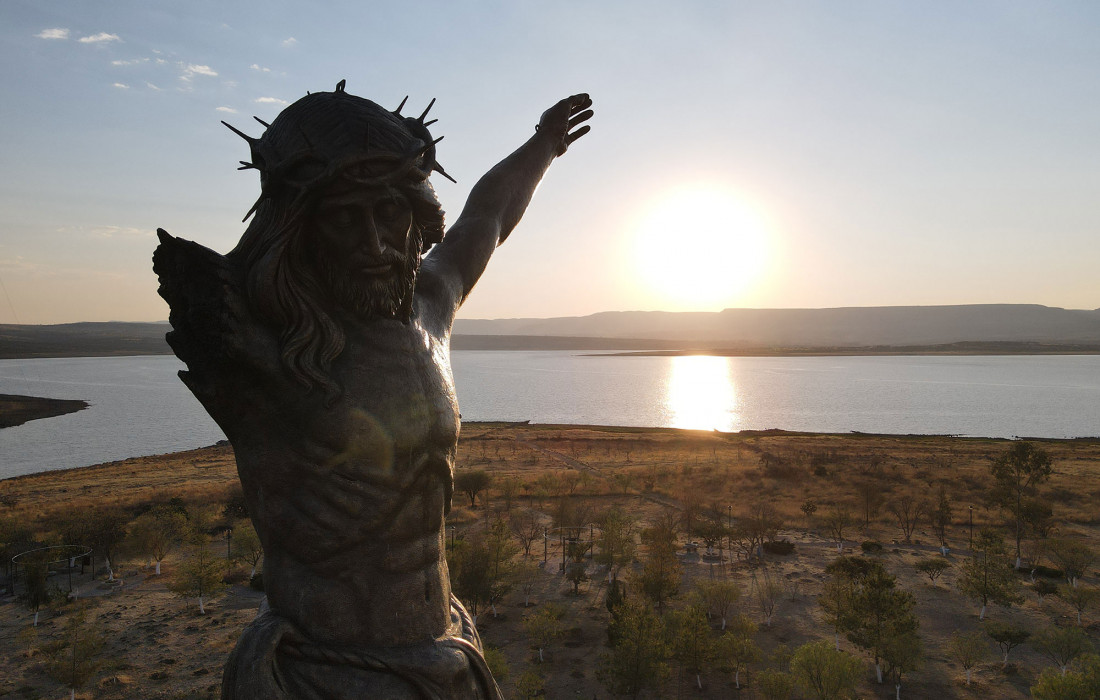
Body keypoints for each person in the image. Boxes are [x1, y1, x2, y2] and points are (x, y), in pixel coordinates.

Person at [154, 81, 592, 699]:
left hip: (444, 647)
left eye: (388, 213)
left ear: (415, 213)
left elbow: (487, 217)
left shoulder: (431, 302)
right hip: (327, 672)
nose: (374, 245)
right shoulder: (259, 338)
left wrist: (544, 144)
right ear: (300, 225)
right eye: (342, 219)